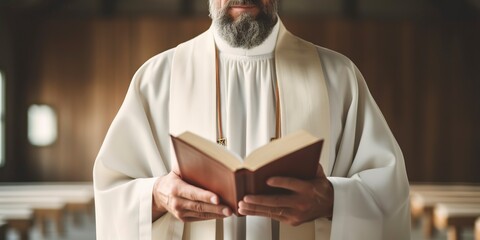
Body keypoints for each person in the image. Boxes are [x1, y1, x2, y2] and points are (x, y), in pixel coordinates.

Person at [93, 0, 411, 239]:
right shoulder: (157, 78)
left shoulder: (338, 77)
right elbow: (113, 189)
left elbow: (388, 191)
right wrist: (158, 196)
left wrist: (330, 201)